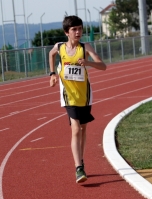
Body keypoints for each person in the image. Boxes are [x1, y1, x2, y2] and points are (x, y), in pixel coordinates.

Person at [49, 16, 107, 183]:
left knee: (83, 129)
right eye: (74, 29)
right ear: (67, 32)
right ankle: (78, 168)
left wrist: (88, 63)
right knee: (75, 129)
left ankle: (80, 161)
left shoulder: (85, 47)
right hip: (68, 95)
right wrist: (52, 74)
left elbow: (103, 66)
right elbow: (51, 55)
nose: (78, 32)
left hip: (84, 95)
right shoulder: (59, 47)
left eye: (80, 29)